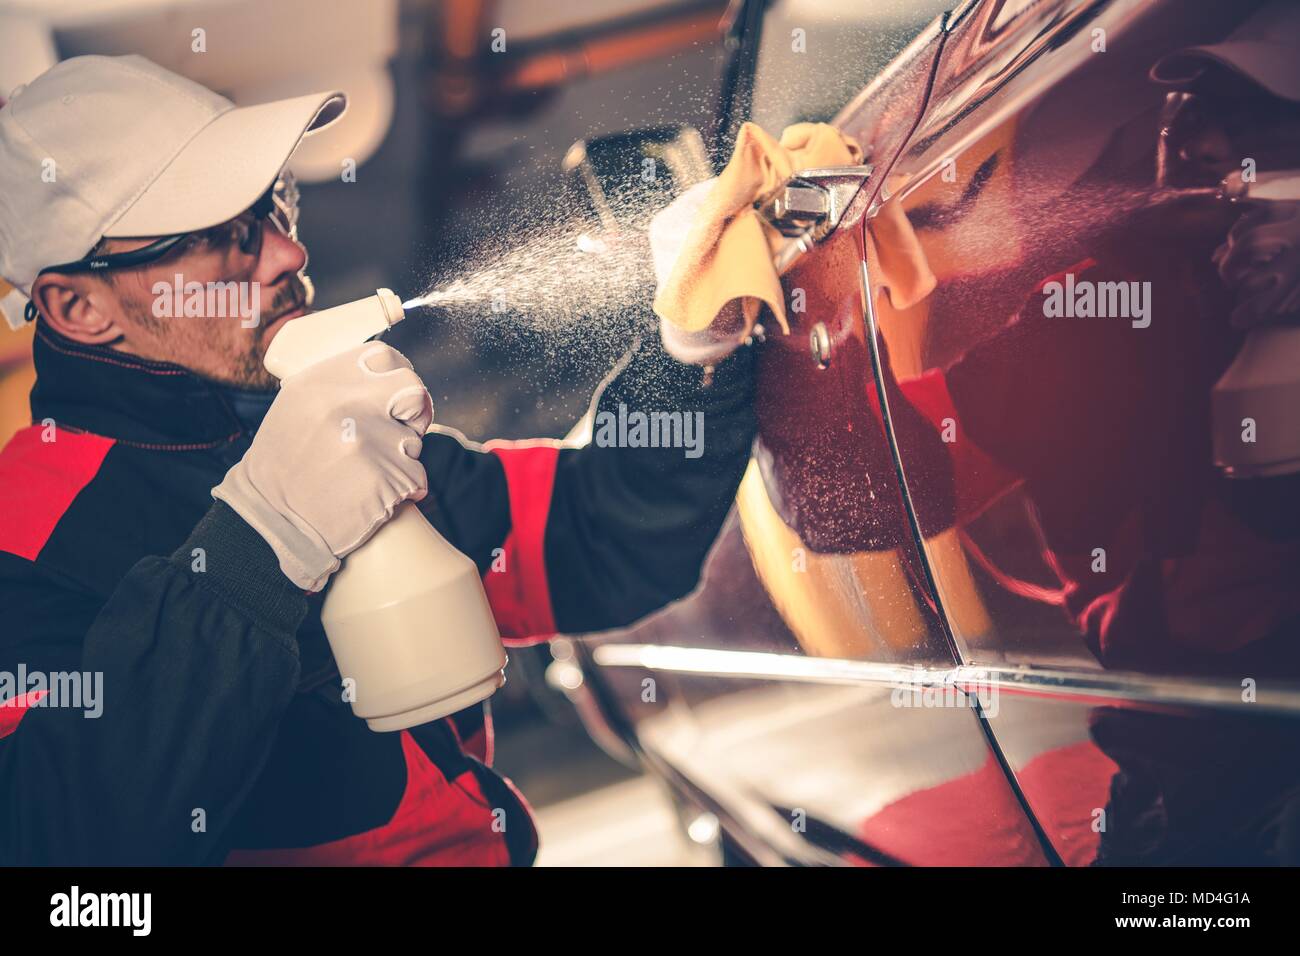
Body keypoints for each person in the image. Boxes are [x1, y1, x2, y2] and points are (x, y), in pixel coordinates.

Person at [0, 54, 755, 865]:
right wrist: (258, 548)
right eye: (224, 238)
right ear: (79, 307)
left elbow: (596, 536)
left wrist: (692, 345)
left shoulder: (329, 438)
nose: (288, 255)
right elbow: (55, 839)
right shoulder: (23, 540)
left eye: (276, 206)